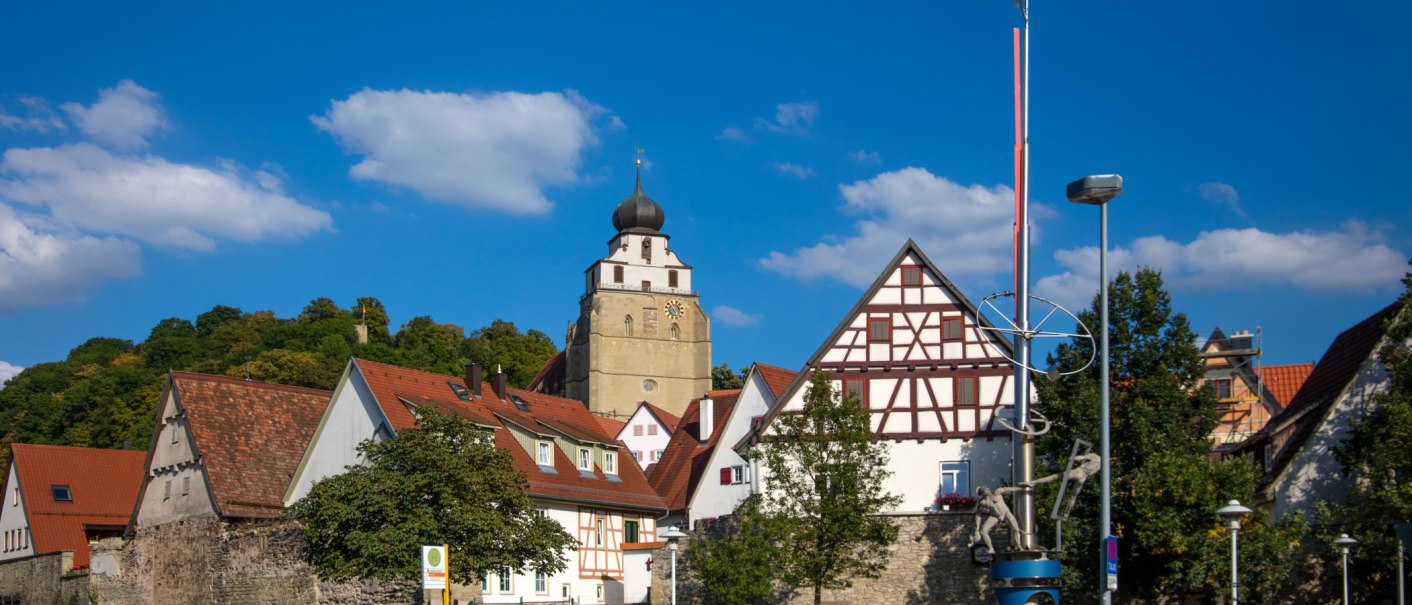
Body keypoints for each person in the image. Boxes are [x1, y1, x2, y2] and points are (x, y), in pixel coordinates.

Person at [971, 485, 1023, 552]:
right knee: (983, 531)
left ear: (988, 489)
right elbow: (978, 514)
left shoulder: (997, 492)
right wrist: (977, 528)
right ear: (981, 494)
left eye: (985, 489)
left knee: (1016, 528)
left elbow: (1010, 489)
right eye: (982, 492)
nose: (985, 491)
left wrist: (1021, 488)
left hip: (1005, 512)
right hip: (994, 516)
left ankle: (1018, 546)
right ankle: (991, 548)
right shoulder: (982, 502)